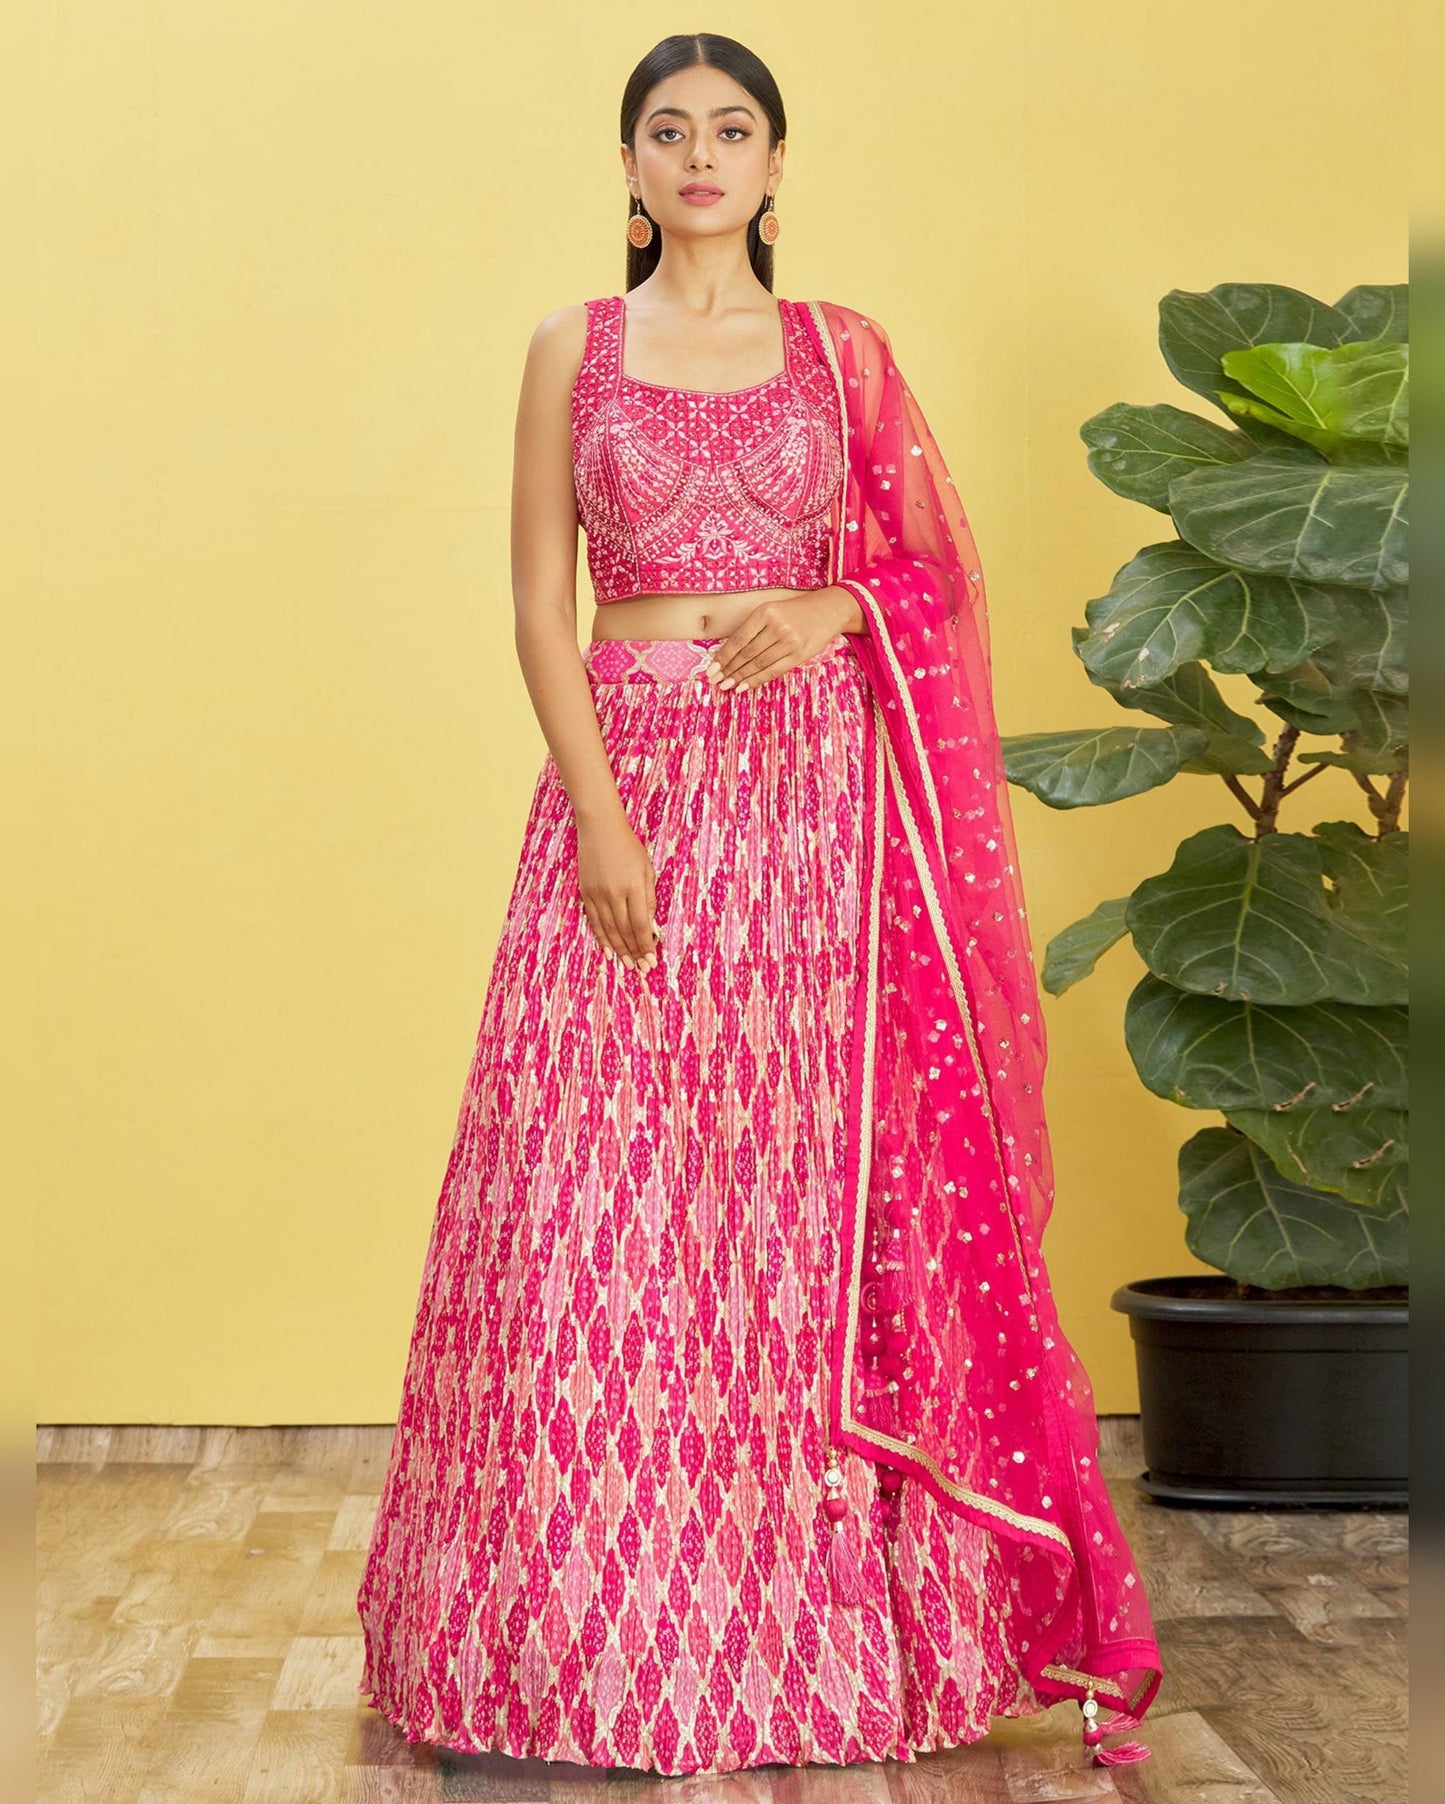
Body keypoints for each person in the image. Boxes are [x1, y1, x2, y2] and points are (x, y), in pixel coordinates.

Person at [356, 31, 1162, 1780]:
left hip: (819, 814)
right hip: (633, 780)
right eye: (668, 131)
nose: (701, 156)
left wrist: (837, 613)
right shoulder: (570, 349)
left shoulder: (842, 354)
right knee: (579, 1204)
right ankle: (560, 1646)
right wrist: (595, 816)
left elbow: (929, 565)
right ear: (629, 168)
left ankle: (804, 1644)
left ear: (778, 166)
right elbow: (535, 607)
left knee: (788, 1215)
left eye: (732, 130)